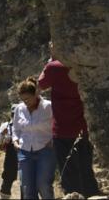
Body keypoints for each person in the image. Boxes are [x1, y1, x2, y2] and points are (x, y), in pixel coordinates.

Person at [38, 41, 100, 197]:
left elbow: (39, 85)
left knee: (69, 174)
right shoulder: (82, 63)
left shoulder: (54, 67)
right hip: (83, 127)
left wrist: (50, 61)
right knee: (86, 169)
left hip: (62, 129)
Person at [12, 76, 55, 199]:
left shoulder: (48, 106)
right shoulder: (19, 109)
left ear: (35, 94)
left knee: (43, 185)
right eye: (22, 99)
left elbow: (58, 125)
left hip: (45, 150)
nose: (25, 102)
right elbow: (16, 128)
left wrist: (53, 141)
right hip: (24, 151)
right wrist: (15, 141)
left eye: (28, 99)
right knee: (27, 189)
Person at [0, 104, 20, 199]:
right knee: (8, 175)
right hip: (11, 153)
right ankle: (4, 196)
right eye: (13, 114)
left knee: (26, 177)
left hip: (25, 151)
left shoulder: (25, 124)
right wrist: (1, 133)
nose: (14, 116)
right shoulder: (6, 125)